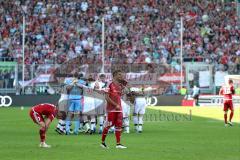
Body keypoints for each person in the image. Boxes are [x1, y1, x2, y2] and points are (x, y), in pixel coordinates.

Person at [101, 70, 127, 149]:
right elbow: (106, 97)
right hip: (111, 109)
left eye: (121, 75)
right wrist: (115, 105)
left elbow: (121, 94)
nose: (121, 76)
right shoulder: (109, 83)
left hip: (119, 108)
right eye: (119, 75)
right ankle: (103, 143)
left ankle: (118, 144)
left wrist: (124, 87)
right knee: (108, 125)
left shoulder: (120, 85)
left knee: (119, 126)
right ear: (115, 75)